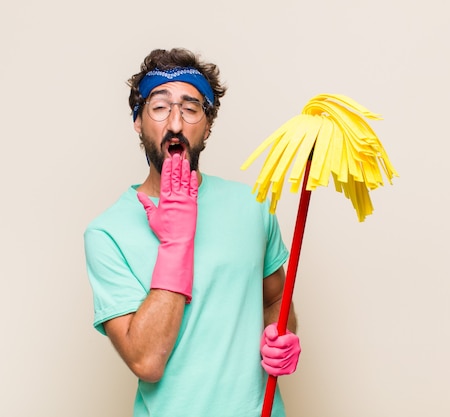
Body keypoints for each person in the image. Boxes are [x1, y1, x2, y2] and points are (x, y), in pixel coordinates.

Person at [84, 47, 301, 417]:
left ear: (208, 124)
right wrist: (176, 241)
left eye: (191, 108)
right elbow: (147, 361)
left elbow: (274, 300)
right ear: (138, 121)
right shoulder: (106, 234)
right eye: (159, 106)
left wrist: (282, 337)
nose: (175, 124)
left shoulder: (253, 205)